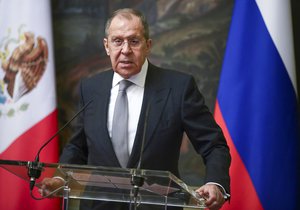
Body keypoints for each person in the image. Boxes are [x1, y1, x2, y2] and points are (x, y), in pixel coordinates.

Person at [40, 8, 231, 210]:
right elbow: (77, 146)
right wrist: (60, 178)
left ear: (148, 45)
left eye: (134, 41)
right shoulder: (91, 88)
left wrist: (215, 183)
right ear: (107, 46)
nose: (125, 50)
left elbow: (214, 145)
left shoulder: (178, 88)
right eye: (117, 41)